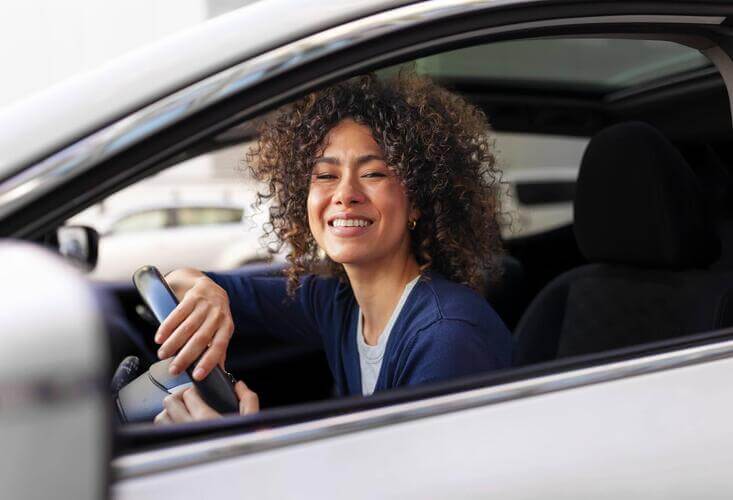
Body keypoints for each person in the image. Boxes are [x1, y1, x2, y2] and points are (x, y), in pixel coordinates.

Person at [153, 72, 513, 424]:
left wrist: (238, 448)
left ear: (417, 199)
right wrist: (207, 292)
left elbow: (418, 482)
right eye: (325, 176)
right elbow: (177, 284)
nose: (345, 195)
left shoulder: (446, 337)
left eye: (373, 174)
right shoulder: (338, 303)